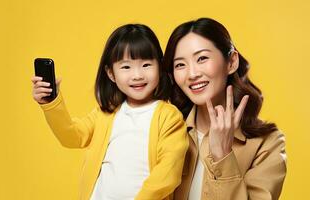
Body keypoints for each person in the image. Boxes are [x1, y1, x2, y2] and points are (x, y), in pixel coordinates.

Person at [31, 24, 188, 200]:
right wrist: (51, 102)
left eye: (146, 65)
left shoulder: (169, 117)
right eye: (126, 67)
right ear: (111, 73)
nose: (137, 75)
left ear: (160, 67)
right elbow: (71, 136)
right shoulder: (105, 114)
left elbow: (168, 173)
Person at [162, 18, 287, 199]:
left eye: (202, 58)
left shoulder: (268, 143)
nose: (192, 74)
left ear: (231, 62)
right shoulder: (166, 132)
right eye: (180, 64)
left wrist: (222, 156)